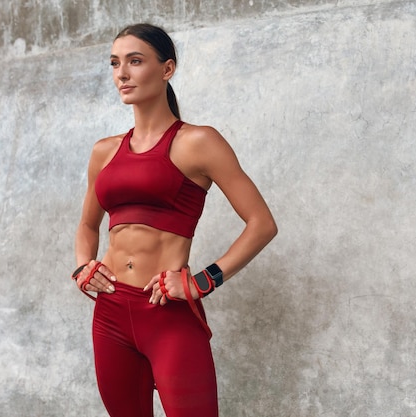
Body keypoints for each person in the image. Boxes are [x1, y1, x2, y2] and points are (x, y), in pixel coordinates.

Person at [72, 23, 277, 417]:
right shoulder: (104, 151)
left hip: (166, 314)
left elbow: (261, 223)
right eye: (115, 63)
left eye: (135, 61)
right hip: (111, 315)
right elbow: (87, 225)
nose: (122, 73)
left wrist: (204, 280)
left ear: (167, 69)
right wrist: (83, 266)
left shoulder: (199, 142)